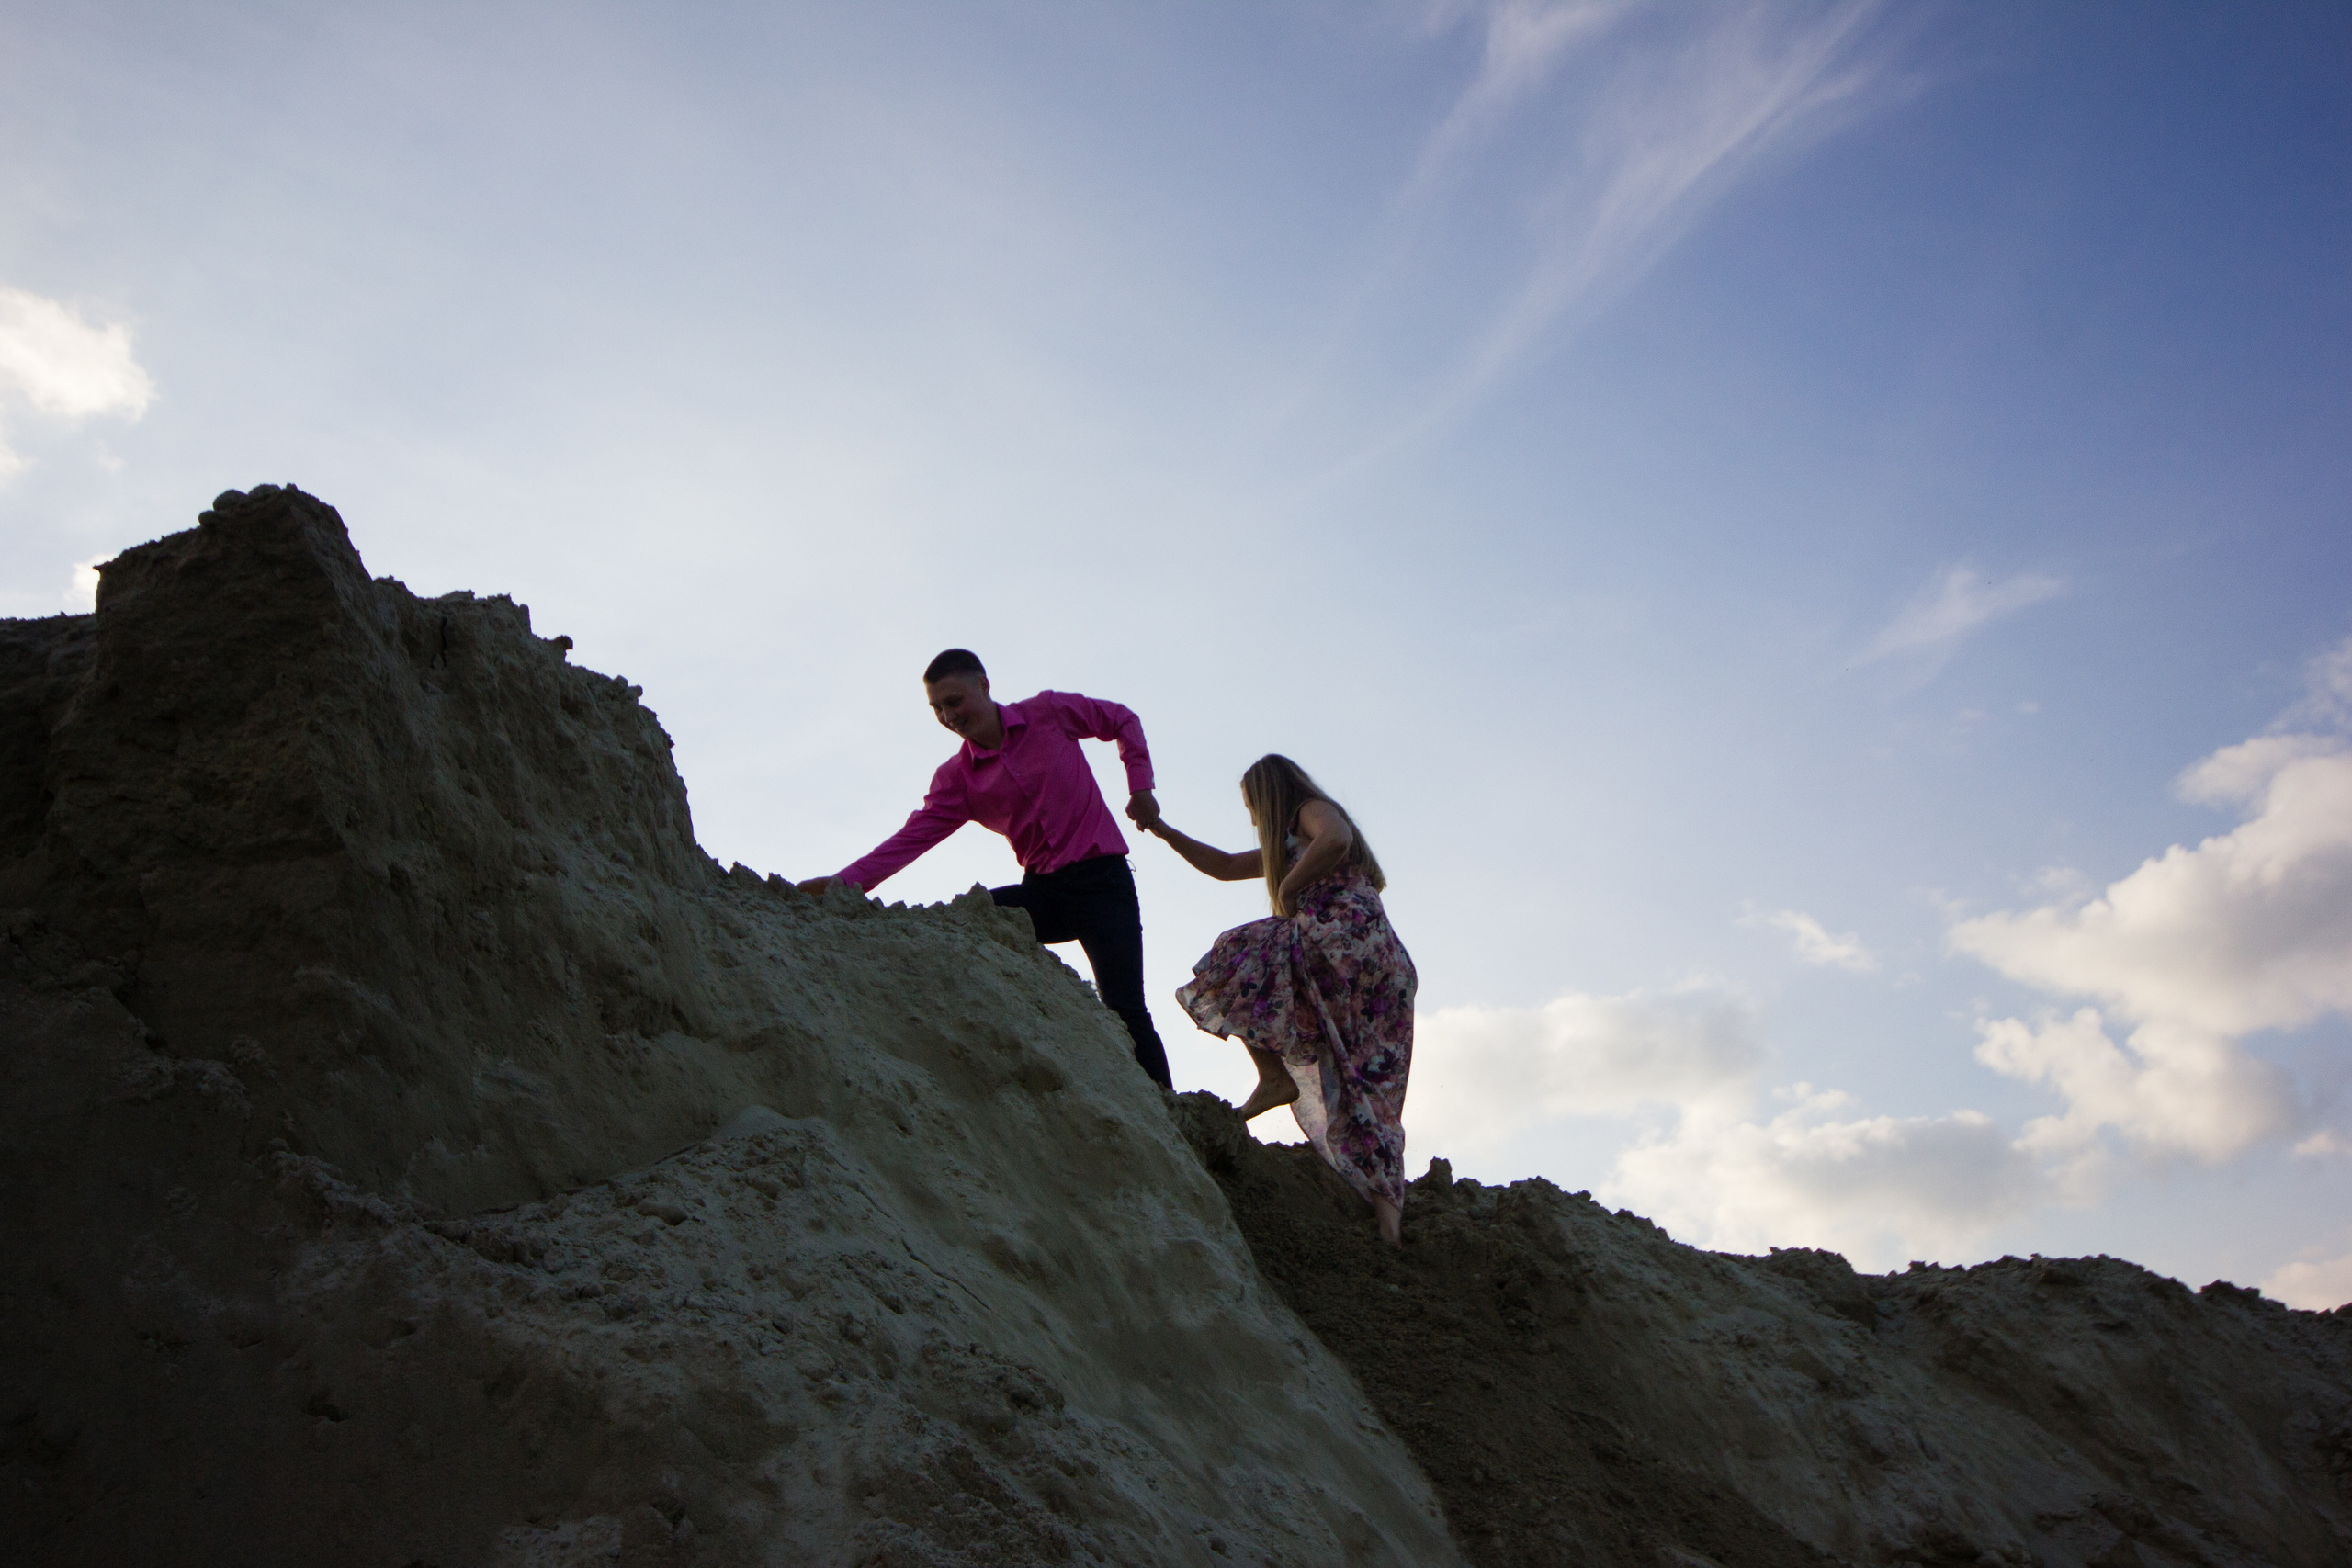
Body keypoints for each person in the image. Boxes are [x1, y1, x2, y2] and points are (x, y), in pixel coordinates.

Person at [797, 649, 1174, 1089]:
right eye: (937, 709)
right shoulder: (957, 779)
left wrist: (1141, 786)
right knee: (966, 919)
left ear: (984, 686)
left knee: (1127, 1008)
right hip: (1043, 893)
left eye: (954, 702)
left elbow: (1122, 719)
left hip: (1104, 885)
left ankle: (1173, 1116)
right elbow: (909, 841)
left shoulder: (1048, 713)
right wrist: (843, 885)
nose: (948, 716)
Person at [1144, 754, 1415, 1246]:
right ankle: (1388, 1220)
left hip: (1343, 938)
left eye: (1251, 806)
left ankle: (1273, 1078)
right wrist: (1162, 830)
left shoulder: (1309, 811)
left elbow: (1337, 837)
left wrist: (1289, 888)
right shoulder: (1290, 843)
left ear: (1267, 797)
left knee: (1238, 952)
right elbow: (1224, 866)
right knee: (1360, 1079)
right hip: (1377, 962)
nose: (1251, 818)